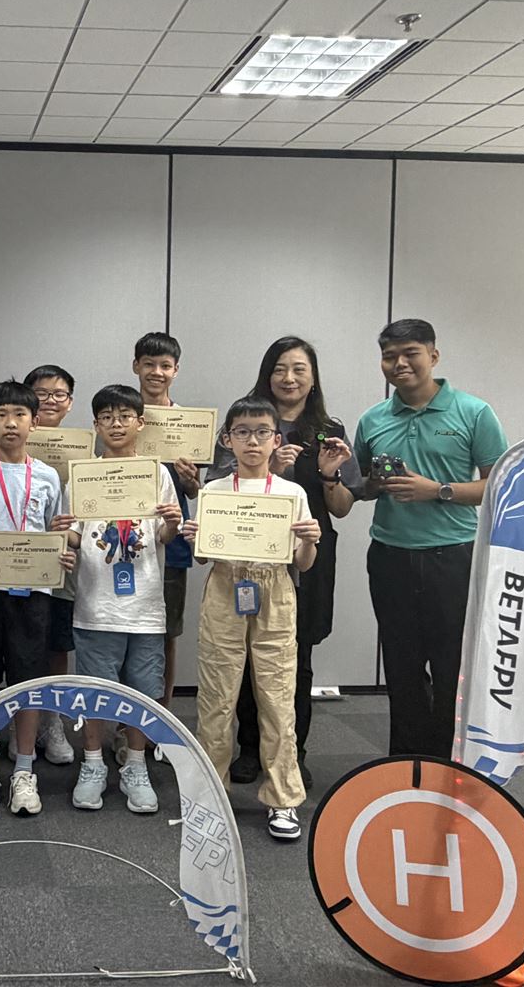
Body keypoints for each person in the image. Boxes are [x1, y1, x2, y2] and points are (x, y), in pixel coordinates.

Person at [353, 319, 507, 759]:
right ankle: (405, 763)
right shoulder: (373, 419)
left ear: (433, 356)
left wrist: (436, 490)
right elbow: (360, 486)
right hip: (390, 557)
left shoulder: (473, 412)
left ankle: (447, 762)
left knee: (451, 667)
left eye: (411, 354)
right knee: (400, 666)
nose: (399, 364)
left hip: (451, 557)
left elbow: (500, 486)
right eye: (389, 356)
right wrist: (370, 483)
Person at [227, 337, 361, 792]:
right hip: (250, 557)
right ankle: (249, 748)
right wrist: (275, 471)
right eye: (280, 368)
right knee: (247, 651)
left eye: (300, 369)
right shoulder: (248, 419)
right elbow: (223, 490)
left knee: (297, 656)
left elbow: (342, 506)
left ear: (313, 377)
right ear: (267, 374)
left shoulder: (329, 429)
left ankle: (291, 751)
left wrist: (328, 473)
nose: (289, 378)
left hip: (308, 558)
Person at [52, 384, 189, 813]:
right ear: (95, 425)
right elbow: (76, 535)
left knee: (143, 692)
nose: (116, 424)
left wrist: (173, 522)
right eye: (107, 417)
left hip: (145, 606)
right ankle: (93, 763)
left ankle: (135, 765)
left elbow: (163, 536)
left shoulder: (156, 473)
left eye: (124, 416)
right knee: (94, 693)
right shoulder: (83, 474)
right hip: (96, 605)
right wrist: (62, 536)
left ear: (140, 423)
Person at [195, 396, 321, 841]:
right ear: (227, 439)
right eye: (243, 432)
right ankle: (210, 794)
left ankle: (283, 798)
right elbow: (204, 557)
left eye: (262, 432)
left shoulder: (291, 493)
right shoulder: (214, 491)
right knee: (216, 695)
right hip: (225, 586)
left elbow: (302, 563)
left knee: (277, 695)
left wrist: (310, 540)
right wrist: (197, 537)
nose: (253, 441)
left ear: (276, 440)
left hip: (275, 591)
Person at [0, 381, 75, 818]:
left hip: (34, 593)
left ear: (34, 421)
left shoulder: (47, 475)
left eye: (20, 414)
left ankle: (24, 770)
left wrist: (63, 551)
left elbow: (55, 531)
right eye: (1, 415)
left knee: (28, 682)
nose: (11, 423)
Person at [131, 333, 201, 712]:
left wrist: (191, 481)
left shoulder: (187, 425)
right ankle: (127, 720)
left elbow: (194, 490)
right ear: (136, 367)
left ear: (176, 370)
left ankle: (162, 716)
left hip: (170, 540)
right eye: (149, 364)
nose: (156, 372)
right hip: (124, 539)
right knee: (125, 631)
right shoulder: (121, 416)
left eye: (165, 366)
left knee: (166, 632)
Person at [22, 364, 79, 765]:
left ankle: (52, 721)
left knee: (57, 642)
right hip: (17, 563)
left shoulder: (84, 450)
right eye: (41, 393)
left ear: (70, 402)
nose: (50, 400)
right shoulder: (2, 442)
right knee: (21, 646)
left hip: (61, 559)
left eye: (59, 394)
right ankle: (21, 723)